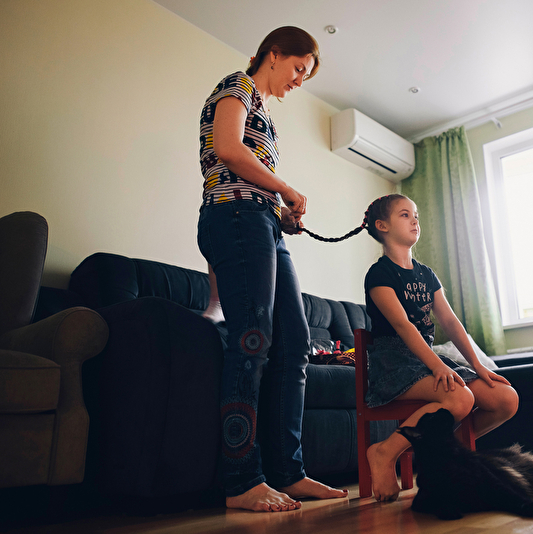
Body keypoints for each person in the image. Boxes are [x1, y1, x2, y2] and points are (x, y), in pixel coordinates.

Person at [196, 26, 347, 513]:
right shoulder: (237, 85)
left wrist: (281, 214)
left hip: (261, 223)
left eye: (306, 75)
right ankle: (241, 480)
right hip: (233, 217)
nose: (300, 81)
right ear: (274, 54)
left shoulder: (265, 113)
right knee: (253, 338)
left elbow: (249, 173)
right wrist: (284, 188)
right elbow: (227, 148)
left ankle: (288, 473)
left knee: (295, 342)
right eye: (299, 69)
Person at [309, 194, 519, 502]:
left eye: (416, 215)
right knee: (460, 397)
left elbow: (450, 321)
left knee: (505, 399)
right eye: (405, 214)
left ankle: (446, 453)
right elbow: (403, 326)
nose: (415, 220)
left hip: (426, 360)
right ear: (382, 226)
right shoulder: (379, 274)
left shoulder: (426, 274)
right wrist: (437, 365)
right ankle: (384, 452)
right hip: (392, 363)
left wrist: (477, 365)